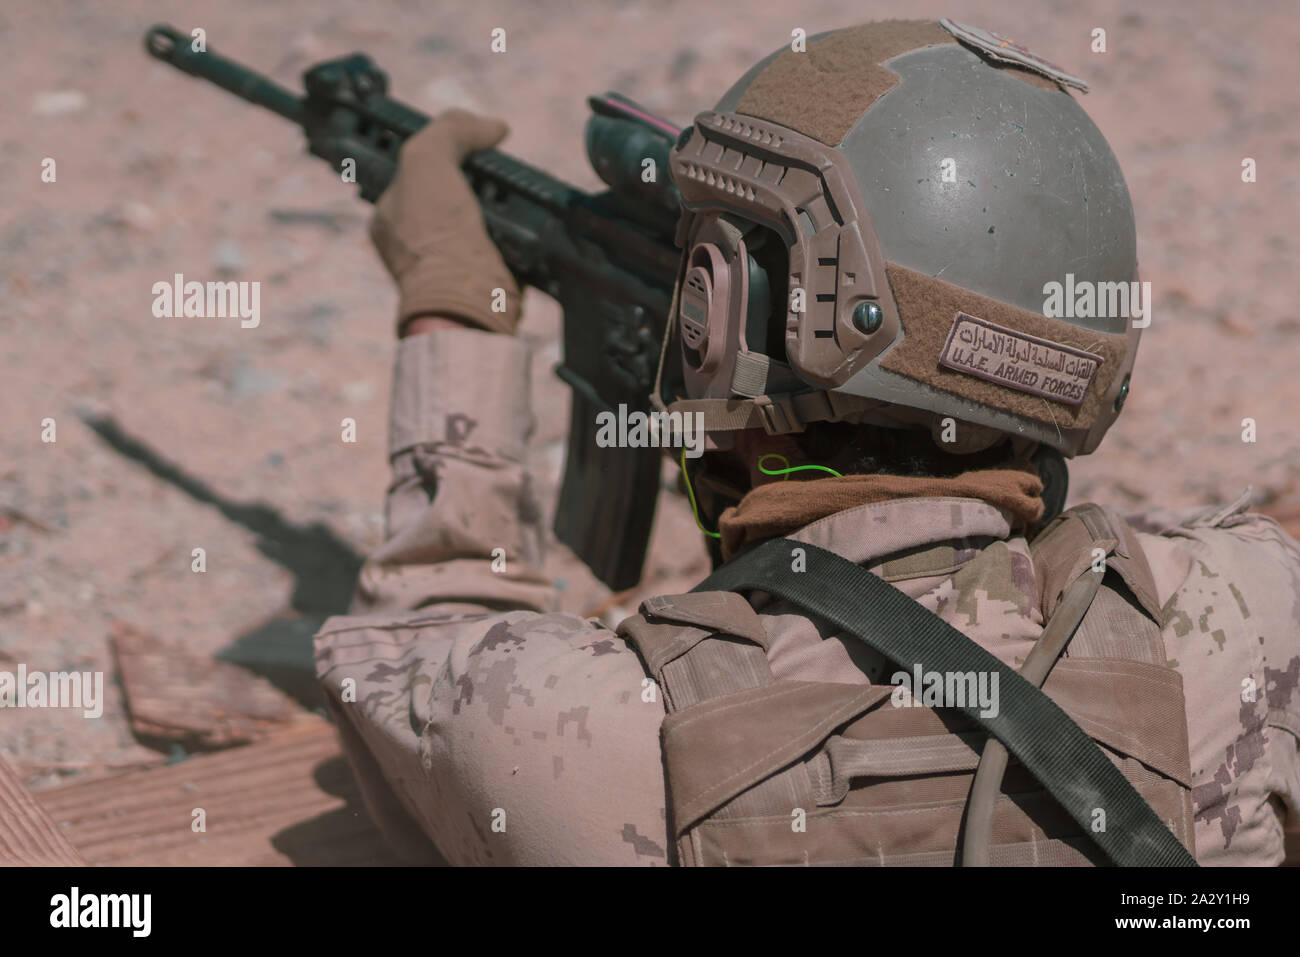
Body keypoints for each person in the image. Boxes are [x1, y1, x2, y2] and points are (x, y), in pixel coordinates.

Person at [314, 19, 1300, 866]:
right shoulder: (1240, 618)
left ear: (715, 314)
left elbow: (402, 655)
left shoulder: (575, 732)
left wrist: (451, 307)